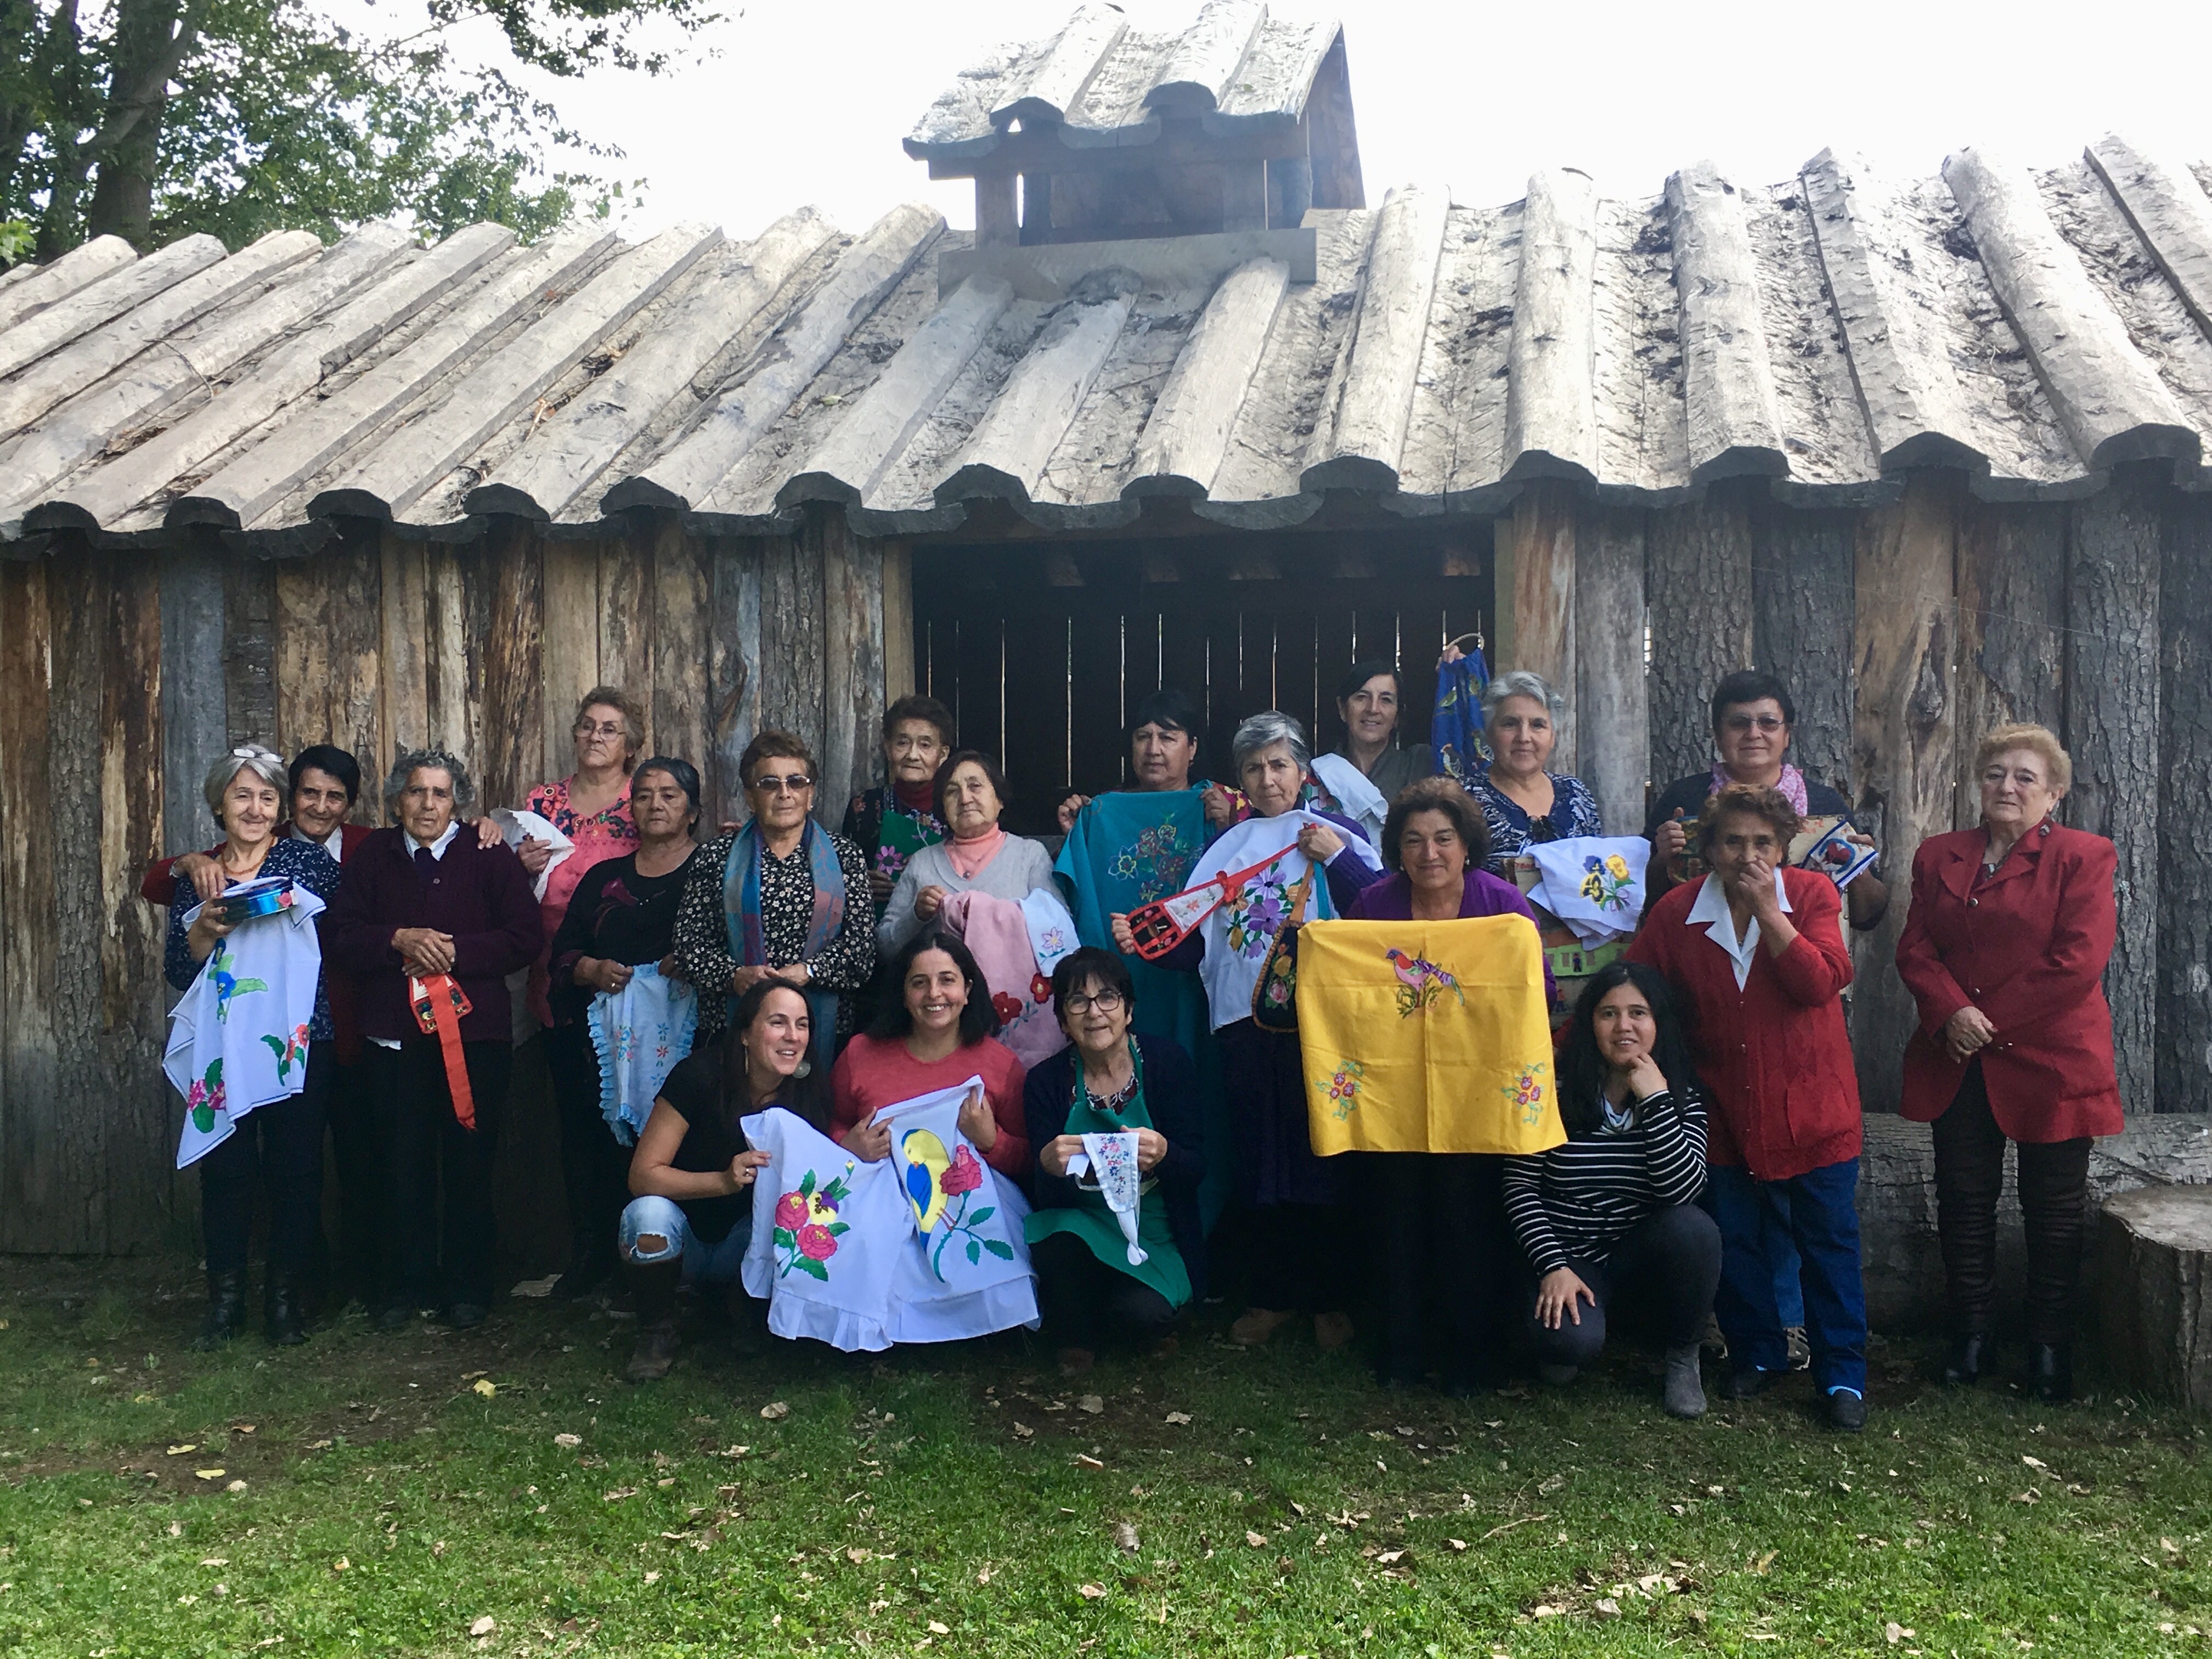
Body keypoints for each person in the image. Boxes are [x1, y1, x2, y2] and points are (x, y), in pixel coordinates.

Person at [1111, 711, 1385, 1353]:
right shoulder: (1225, 850)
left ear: (1303, 771)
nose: (1269, 779)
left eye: (1280, 764)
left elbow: (1380, 907)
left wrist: (1337, 858)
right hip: (1244, 1026)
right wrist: (1144, 944)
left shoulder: (1338, 833)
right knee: (1260, 1157)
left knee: (1325, 1153)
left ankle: (1331, 1299)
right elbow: (1195, 944)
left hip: (1327, 1026)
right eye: (1255, 768)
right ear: (1241, 778)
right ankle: (1271, 1296)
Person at [1628, 785, 1869, 1431]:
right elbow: (1634, 990)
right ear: (1708, 849)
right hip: (1723, 1107)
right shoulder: (1678, 912)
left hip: (1813, 1104)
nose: (1748, 856)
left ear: (1783, 847)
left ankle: (1842, 1374)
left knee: (1827, 1243)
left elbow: (1821, 981)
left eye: (1763, 842)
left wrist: (1769, 912)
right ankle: (1757, 1353)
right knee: (1735, 1238)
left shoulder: (1812, 895)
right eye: (1732, 842)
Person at [1894, 724, 2119, 1403]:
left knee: (2053, 1208)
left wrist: (1981, 1020)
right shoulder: (1940, 856)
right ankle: (1972, 1335)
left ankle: (2050, 1347)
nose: (2008, 787)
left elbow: (2078, 961)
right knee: (1964, 1199)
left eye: (2026, 777)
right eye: (1995, 773)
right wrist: (1951, 1014)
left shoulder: (2084, 857)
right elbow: (1915, 949)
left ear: (2054, 793)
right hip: (1957, 1055)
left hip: (2054, 1054)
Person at [1343, 776, 1552, 1391]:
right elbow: (1346, 990)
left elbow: (1536, 988)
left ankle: (1471, 1358)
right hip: (1393, 1095)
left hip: (1477, 1090)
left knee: (1469, 1218)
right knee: (1397, 1217)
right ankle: (1401, 1353)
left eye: (1443, 838)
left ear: (1466, 846)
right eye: (1413, 840)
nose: (1429, 853)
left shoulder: (1502, 906)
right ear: (1397, 849)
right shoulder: (1373, 906)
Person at [325, 749, 542, 1331]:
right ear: (397, 802)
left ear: (457, 803)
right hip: (393, 1040)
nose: (427, 804)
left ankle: (468, 1287)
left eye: (440, 793)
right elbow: (341, 935)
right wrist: (397, 939)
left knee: (470, 1163)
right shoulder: (374, 855)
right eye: (416, 792)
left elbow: (524, 937)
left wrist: (455, 953)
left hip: (475, 1038)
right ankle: (404, 1285)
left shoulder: (488, 854)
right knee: (401, 1162)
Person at [162, 745, 343, 1347]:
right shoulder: (202, 877)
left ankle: (284, 1303)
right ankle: (225, 1304)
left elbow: (343, 917)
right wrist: (201, 927)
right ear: (220, 804)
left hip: (298, 1041)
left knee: (297, 1170)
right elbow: (178, 970)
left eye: (268, 797)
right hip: (225, 1046)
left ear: (281, 808)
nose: (255, 808)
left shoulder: (306, 861)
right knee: (227, 1172)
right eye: (242, 795)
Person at [1503, 962, 1719, 1419]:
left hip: (1638, 1256)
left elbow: (1681, 1193)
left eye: (1638, 1013)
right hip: (1569, 1256)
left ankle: (1682, 1358)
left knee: (1694, 1229)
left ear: (1658, 1023)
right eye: (1609, 1014)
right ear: (1591, 1024)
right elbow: (1519, 1188)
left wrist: (1656, 1102)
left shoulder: (1682, 1096)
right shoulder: (1551, 1090)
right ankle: (1571, 1332)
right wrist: (1553, 1266)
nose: (1624, 1026)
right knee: (1567, 1347)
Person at [1053, 690, 1225, 1215]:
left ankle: (1201, 1224)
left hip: (1191, 986)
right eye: (1144, 737)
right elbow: (1077, 887)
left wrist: (1233, 819)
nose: (1154, 748)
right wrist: (1082, 824)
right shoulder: (1102, 813)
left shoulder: (1217, 806)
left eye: (1168, 737)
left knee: (1197, 1093)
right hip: (1118, 986)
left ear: (1192, 748)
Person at [544, 758, 703, 1300]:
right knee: (593, 1141)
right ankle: (599, 1256)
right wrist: (589, 969)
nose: (656, 804)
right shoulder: (603, 879)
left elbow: (732, 939)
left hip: (691, 1040)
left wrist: (694, 960)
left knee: (682, 1142)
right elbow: (563, 951)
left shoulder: (711, 871)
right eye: (644, 795)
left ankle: (673, 1261)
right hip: (607, 1043)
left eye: (670, 795)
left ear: (693, 811)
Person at [618, 976, 823, 1381]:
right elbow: (642, 1176)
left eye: (802, 1025)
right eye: (778, 1022)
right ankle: (657, 1330)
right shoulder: (699, 1074)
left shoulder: (809, 1090)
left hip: (747, 1242)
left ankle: (747, 1309)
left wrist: (854, 1147)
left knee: (802, 1218)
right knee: (646, 1215)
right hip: (684, 1239)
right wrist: (723, 1182)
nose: (792, 1036)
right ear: (745, 1034)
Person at [1023, 948, 1206, 1375]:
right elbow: (1045, 1197)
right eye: (1078, 1001)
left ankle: (1133, 1312)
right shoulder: (1045, 1083)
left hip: (1155, 1234)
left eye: (1107, 997)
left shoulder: (1167, 1064)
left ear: (1129, 1009)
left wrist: (1166, 1155)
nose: (1094, 1012)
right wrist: (1047, 1166)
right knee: (1058, 1239)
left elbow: (1198, 1168)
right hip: (1084, 1227)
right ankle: (1076, 1340)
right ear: (1063, 1021)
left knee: (1141, 1315)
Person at [673, 731, 874, 1069]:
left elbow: (862, 950)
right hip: (733, 1024)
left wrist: (809, 971)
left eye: (796, 782)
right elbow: (688, 944)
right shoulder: (716, 857)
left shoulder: (844, 857)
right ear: (750, 798)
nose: (784, 793)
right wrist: (735, 976)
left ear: (810, 795)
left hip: (819, 1026)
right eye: (769, 784)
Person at [1644, 669, 1887, 929]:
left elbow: (1867, 918)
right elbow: (1643, 903)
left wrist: (1858, 870)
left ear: (1787, 735)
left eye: (1768, 723)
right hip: (1702, 947)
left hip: (1802, 946)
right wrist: (1662, 859)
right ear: (1718, 736)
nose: (1753, 733)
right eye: (1739, 723)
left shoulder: (1826, 806)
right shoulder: (1684, 798)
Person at [830, 929, 1031, 1180]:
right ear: (903, 994)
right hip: (873, 1199)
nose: (934, 993)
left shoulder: (1001, 1064)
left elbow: (1030, 1162)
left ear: (967, 990)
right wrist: (847, 1147)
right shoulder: (859, 1053)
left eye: (947, 980)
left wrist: (992, 1142)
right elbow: (828, 1125)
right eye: (919, 983)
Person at [517, 687, 646, 1024]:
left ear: (630, 746)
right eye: (587, 727)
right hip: (551, 959)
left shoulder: (644, 802)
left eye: (609, 730)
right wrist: (520, 865)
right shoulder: (544, 802)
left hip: (623, 962)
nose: (595, 737)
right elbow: (515, 880)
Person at [878, 750, 1056, 954]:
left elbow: (1059, 932)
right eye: (952, 791)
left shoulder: (1029, 856)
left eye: (975, 786)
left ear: (999, 799)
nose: (964, 799)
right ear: (943, 808)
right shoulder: (923, 862)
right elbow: (884, 947)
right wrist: (916, 915)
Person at [1464, 669, 1603, 868]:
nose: (1524, 737)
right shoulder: (1464, 800)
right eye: (1510, 724)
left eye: (1538, 725)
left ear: (1552, 737)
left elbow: (1599, 871)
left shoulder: (1576, 794)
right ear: (1490, 734)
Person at [843, 693, 952, 918]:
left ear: (942, 754)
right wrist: (861, 883)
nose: (912, 755)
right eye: (902, 743)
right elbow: (843, 875)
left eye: (925, 745)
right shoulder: (864, 806)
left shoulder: (958, 808)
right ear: (887, 746)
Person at [1308, 660, 1435, 841]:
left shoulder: (1419, 764)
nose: (1373, 709)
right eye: (1362, 697)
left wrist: (1461, 676)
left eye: (1386, 700)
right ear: (1342, 708)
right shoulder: (1317, 774)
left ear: (1397, 715)